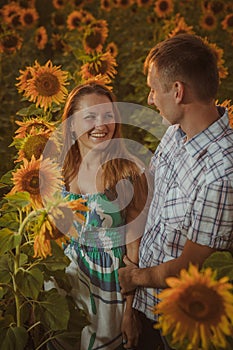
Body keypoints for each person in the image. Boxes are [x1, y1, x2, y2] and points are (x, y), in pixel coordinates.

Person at [118, 33, 233, 350]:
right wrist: (130, 303)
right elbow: (146, 205)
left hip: (180, 322)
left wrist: (134, 277)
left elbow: (189, 267)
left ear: (178, 91)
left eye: (154, 89)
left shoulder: (221, 173)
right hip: (143, 304)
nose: (150, 98)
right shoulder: (173, 135)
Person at [49, 82, 150, 350]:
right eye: (90, 116)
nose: (101, 124)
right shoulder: (59, 170)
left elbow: (133, 246)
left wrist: (130, 311)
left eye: (108, 115)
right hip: (63, 281)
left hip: (107, 286)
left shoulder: (128, 172)